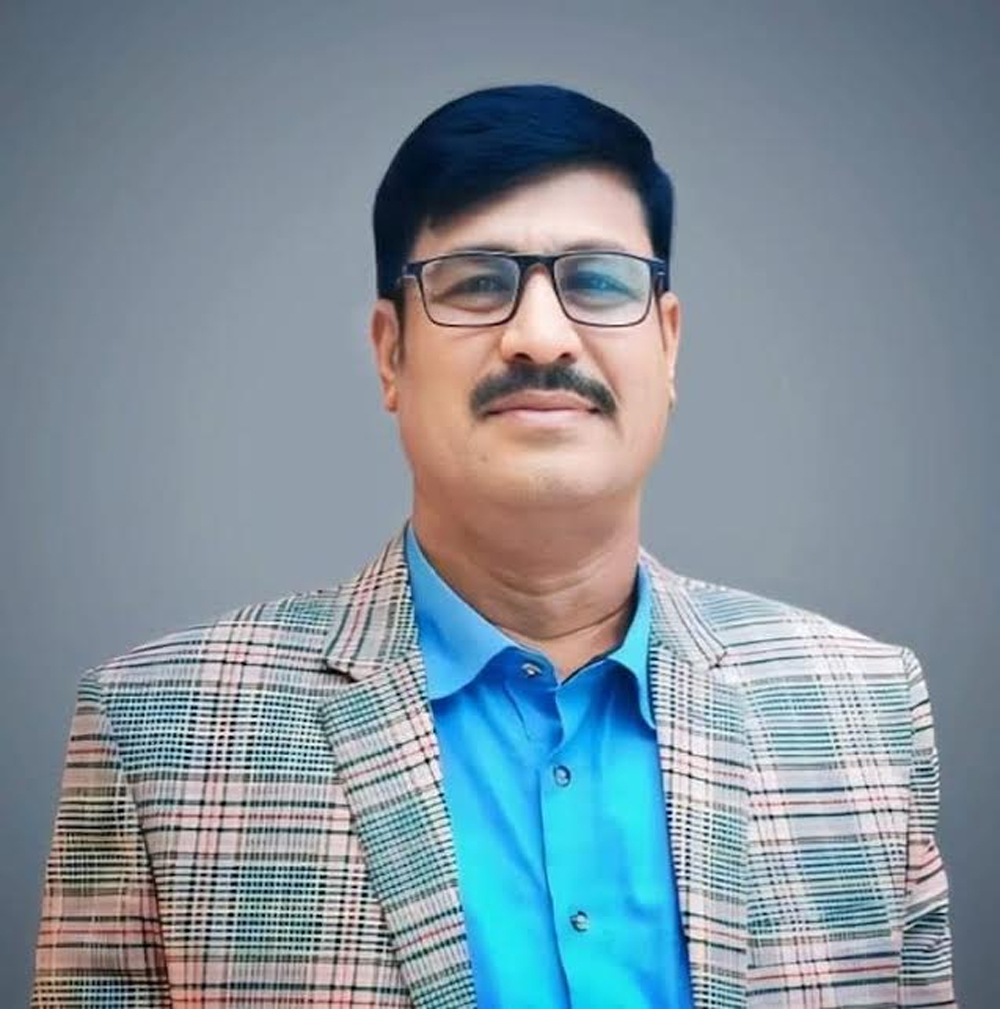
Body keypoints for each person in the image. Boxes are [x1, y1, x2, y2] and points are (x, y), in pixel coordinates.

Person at [32, 84, 955, 1008]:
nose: (540, 337)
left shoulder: (863, 709)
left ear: (669, 346)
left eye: (598, 281)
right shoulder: (158, 727)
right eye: (476, 283)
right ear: (389, 353)